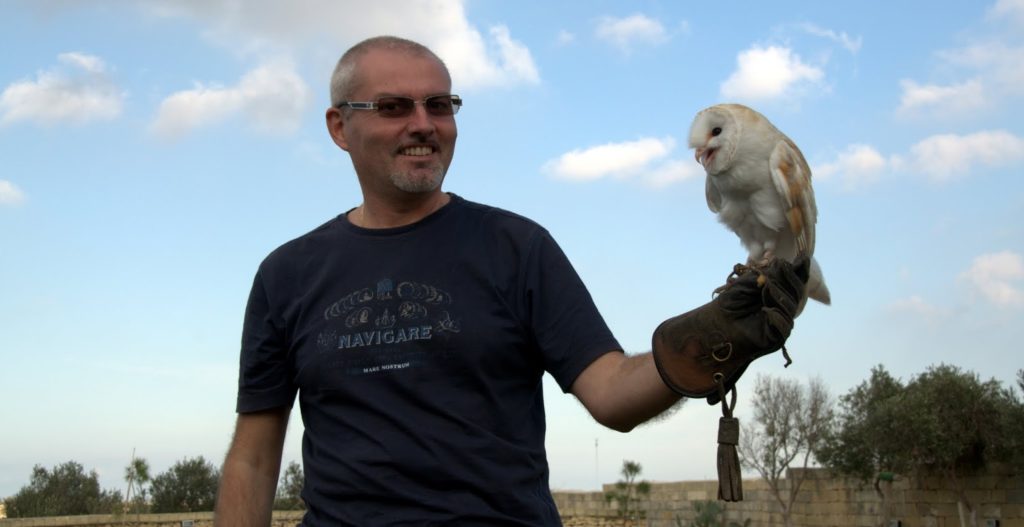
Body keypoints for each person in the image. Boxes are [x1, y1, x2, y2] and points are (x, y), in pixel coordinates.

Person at [214, 35, 804, 526]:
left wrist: (706, 342)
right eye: (394, 107)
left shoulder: (516, 247)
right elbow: (255, 459)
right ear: (339, 127)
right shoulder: (287, 274)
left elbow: (610, 392)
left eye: (440, 105)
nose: (423, 124)